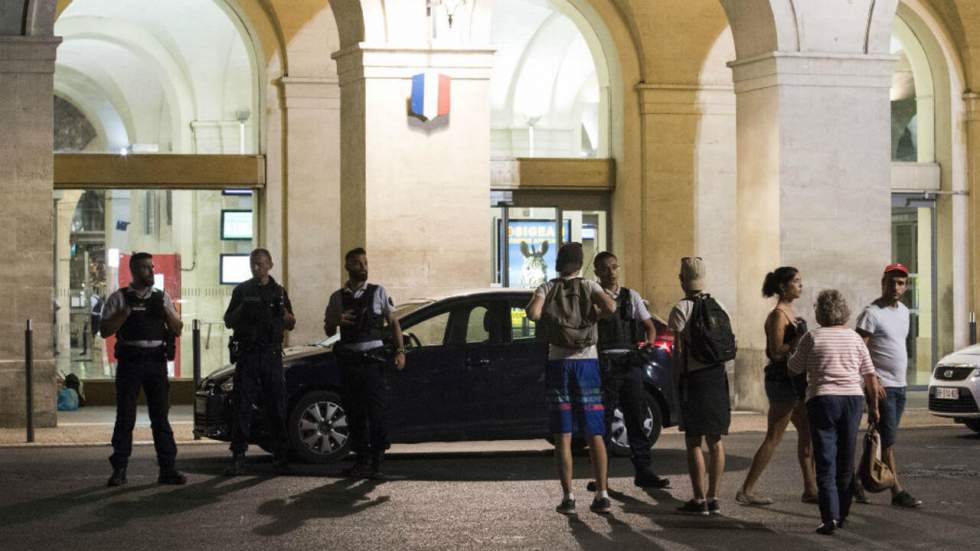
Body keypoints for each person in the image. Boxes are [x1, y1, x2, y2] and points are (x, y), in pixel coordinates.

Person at [527, 242, 617, 515]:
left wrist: (552, 321)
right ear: (580, 263)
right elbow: (611, 308)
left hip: (559, 364)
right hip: (587, 362)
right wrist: (594, 315)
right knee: (595, 432)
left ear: (558, 262)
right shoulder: (589, 286)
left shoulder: (547, 287)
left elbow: (532, 313)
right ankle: (601, 493)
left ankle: (568, 496)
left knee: (562, 435)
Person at [788, 289, 880, 535]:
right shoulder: (854, 338)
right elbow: (870, 375)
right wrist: (875, 408)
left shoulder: (812, 337)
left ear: (820, 312)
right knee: (845, 460)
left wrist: (794, 346)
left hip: (823, 400)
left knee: (825, 460)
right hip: (852, 400)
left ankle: (829, 518)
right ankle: (844, 514)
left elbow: (794, 368)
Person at [99, 252, 185, 487]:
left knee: (161, 417)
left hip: (156, 361)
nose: (151, 271)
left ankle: (168, 468)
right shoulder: (120, 299)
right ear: (135, 271)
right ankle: (119, 469)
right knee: (125, 416)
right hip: (131, 361)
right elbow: (105, 329)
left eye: (152, 267)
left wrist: (166, 312)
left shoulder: (161, 297)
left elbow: (178, 328)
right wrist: (124, 315)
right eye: (146, 268)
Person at [737, 267, 818, 505]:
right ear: (783, 287)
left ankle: (811, 488)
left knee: (808, 433)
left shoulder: (791, 313)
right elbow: (776, 351)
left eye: (801, 281)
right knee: (773, 437)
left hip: (795, 381)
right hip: (782, 382)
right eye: (796, 282)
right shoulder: (777, 316)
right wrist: (798, 341)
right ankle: (746, 490)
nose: (800, 286)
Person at [324, 247, 406, 480]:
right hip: (350, 363)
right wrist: (336, 319)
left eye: (366, 263)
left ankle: (377, 461)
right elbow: (329, 328)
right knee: (354, 413)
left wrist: (400, 351)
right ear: (348, 266)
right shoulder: (337, 297)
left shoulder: (378, 292)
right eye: (359, 264)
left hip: (373, 363)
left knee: (377, 411)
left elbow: (394, 323)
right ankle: (362, 460)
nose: (364, 268)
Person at [592, 251, 670, 489]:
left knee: (636, 417)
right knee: (603, 422)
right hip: (604, 364)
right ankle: (601, 478)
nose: (611, 272)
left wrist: (647, 345)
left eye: (614, 267)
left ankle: (644, 470)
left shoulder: (631, 296)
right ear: (597, 272)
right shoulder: (593, 296)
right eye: (605, 268)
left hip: (629, 363)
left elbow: (649, 326)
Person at [852, 263, 922, 508]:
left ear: (906, 286)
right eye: (891, 281)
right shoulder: (871, 313)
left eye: (900, 282)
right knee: (888, 442)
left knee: (881, 437)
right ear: (883, 282)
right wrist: (873, 380)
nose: (895, 286)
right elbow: (859, 349)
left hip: (900, 385)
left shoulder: (903, 311)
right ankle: (897, 491)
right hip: (883, 386)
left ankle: (855, 481)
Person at [223, 248, 297, 476]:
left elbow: (291, 323)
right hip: (248, 354)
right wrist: (244, 308)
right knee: (242, 406)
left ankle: (281, 456)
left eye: (261, 264)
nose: (257, 268)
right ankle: (238, 456)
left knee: (276, 405)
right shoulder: (242, 291)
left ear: (270, 264)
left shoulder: (279, 292)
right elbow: (228, 321)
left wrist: (283, 314)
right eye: (254, 264)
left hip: (271, 355)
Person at [668, 257, 733, 516]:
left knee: (693, 440)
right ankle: (714, 497)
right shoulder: (720, 306)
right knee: (715, 440)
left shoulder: (681, 308)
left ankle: (698, 499)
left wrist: (675, 379)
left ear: (682, 279)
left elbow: (678, 350)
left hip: (693, 379)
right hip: (717, 376)